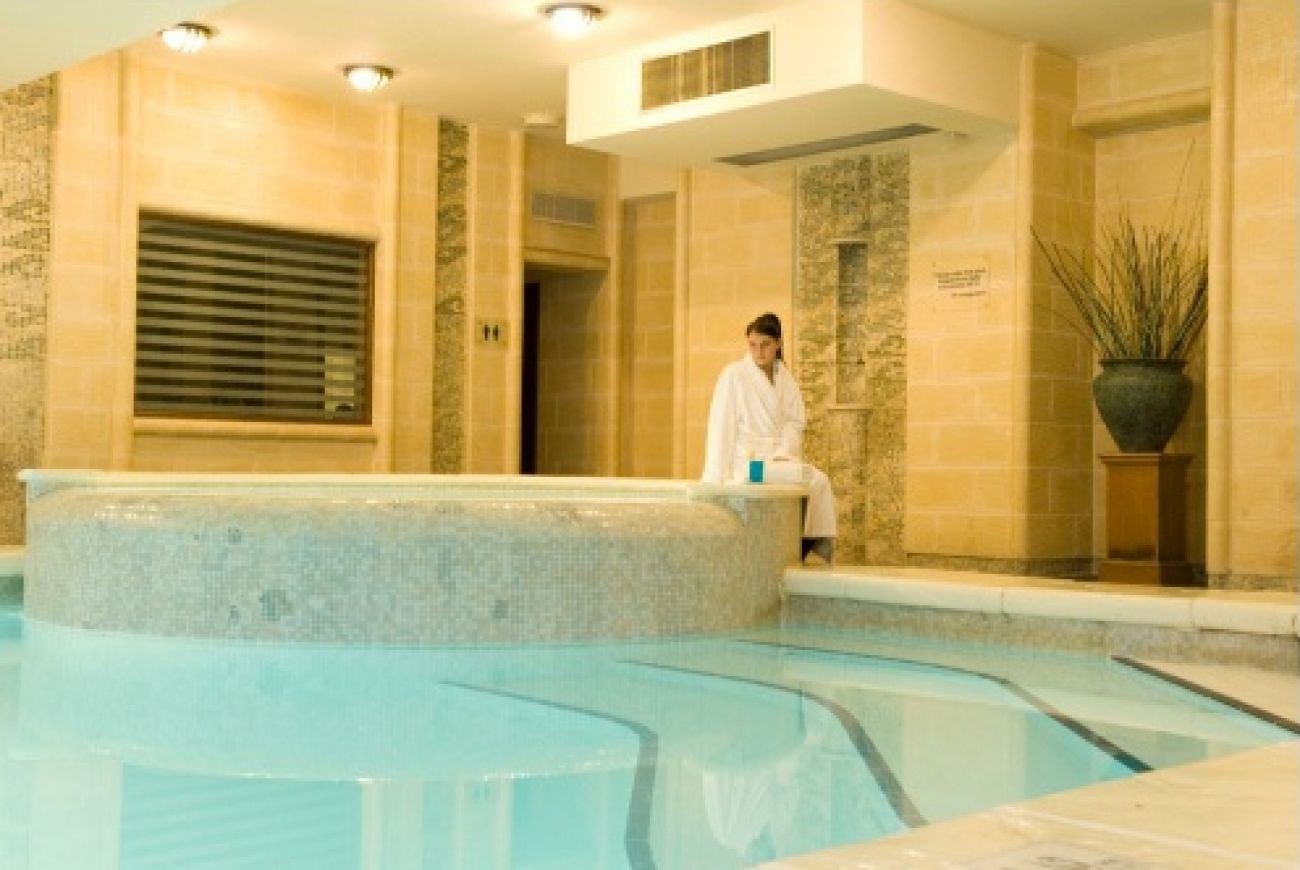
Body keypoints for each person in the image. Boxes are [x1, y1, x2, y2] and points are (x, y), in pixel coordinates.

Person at [702, 312, 836, 564]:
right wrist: (713, 480)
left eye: (765, 345)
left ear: (778, 344)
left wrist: (784, 453)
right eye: (753, 345)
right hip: (749, 465)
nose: (758, 351)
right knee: (811, 478)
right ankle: (808, 546)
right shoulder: (734, 375)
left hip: (778, 459)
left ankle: (813, 544)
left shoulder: (786, 379)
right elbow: (720, 426)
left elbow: (795, 422)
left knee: (820, 481)